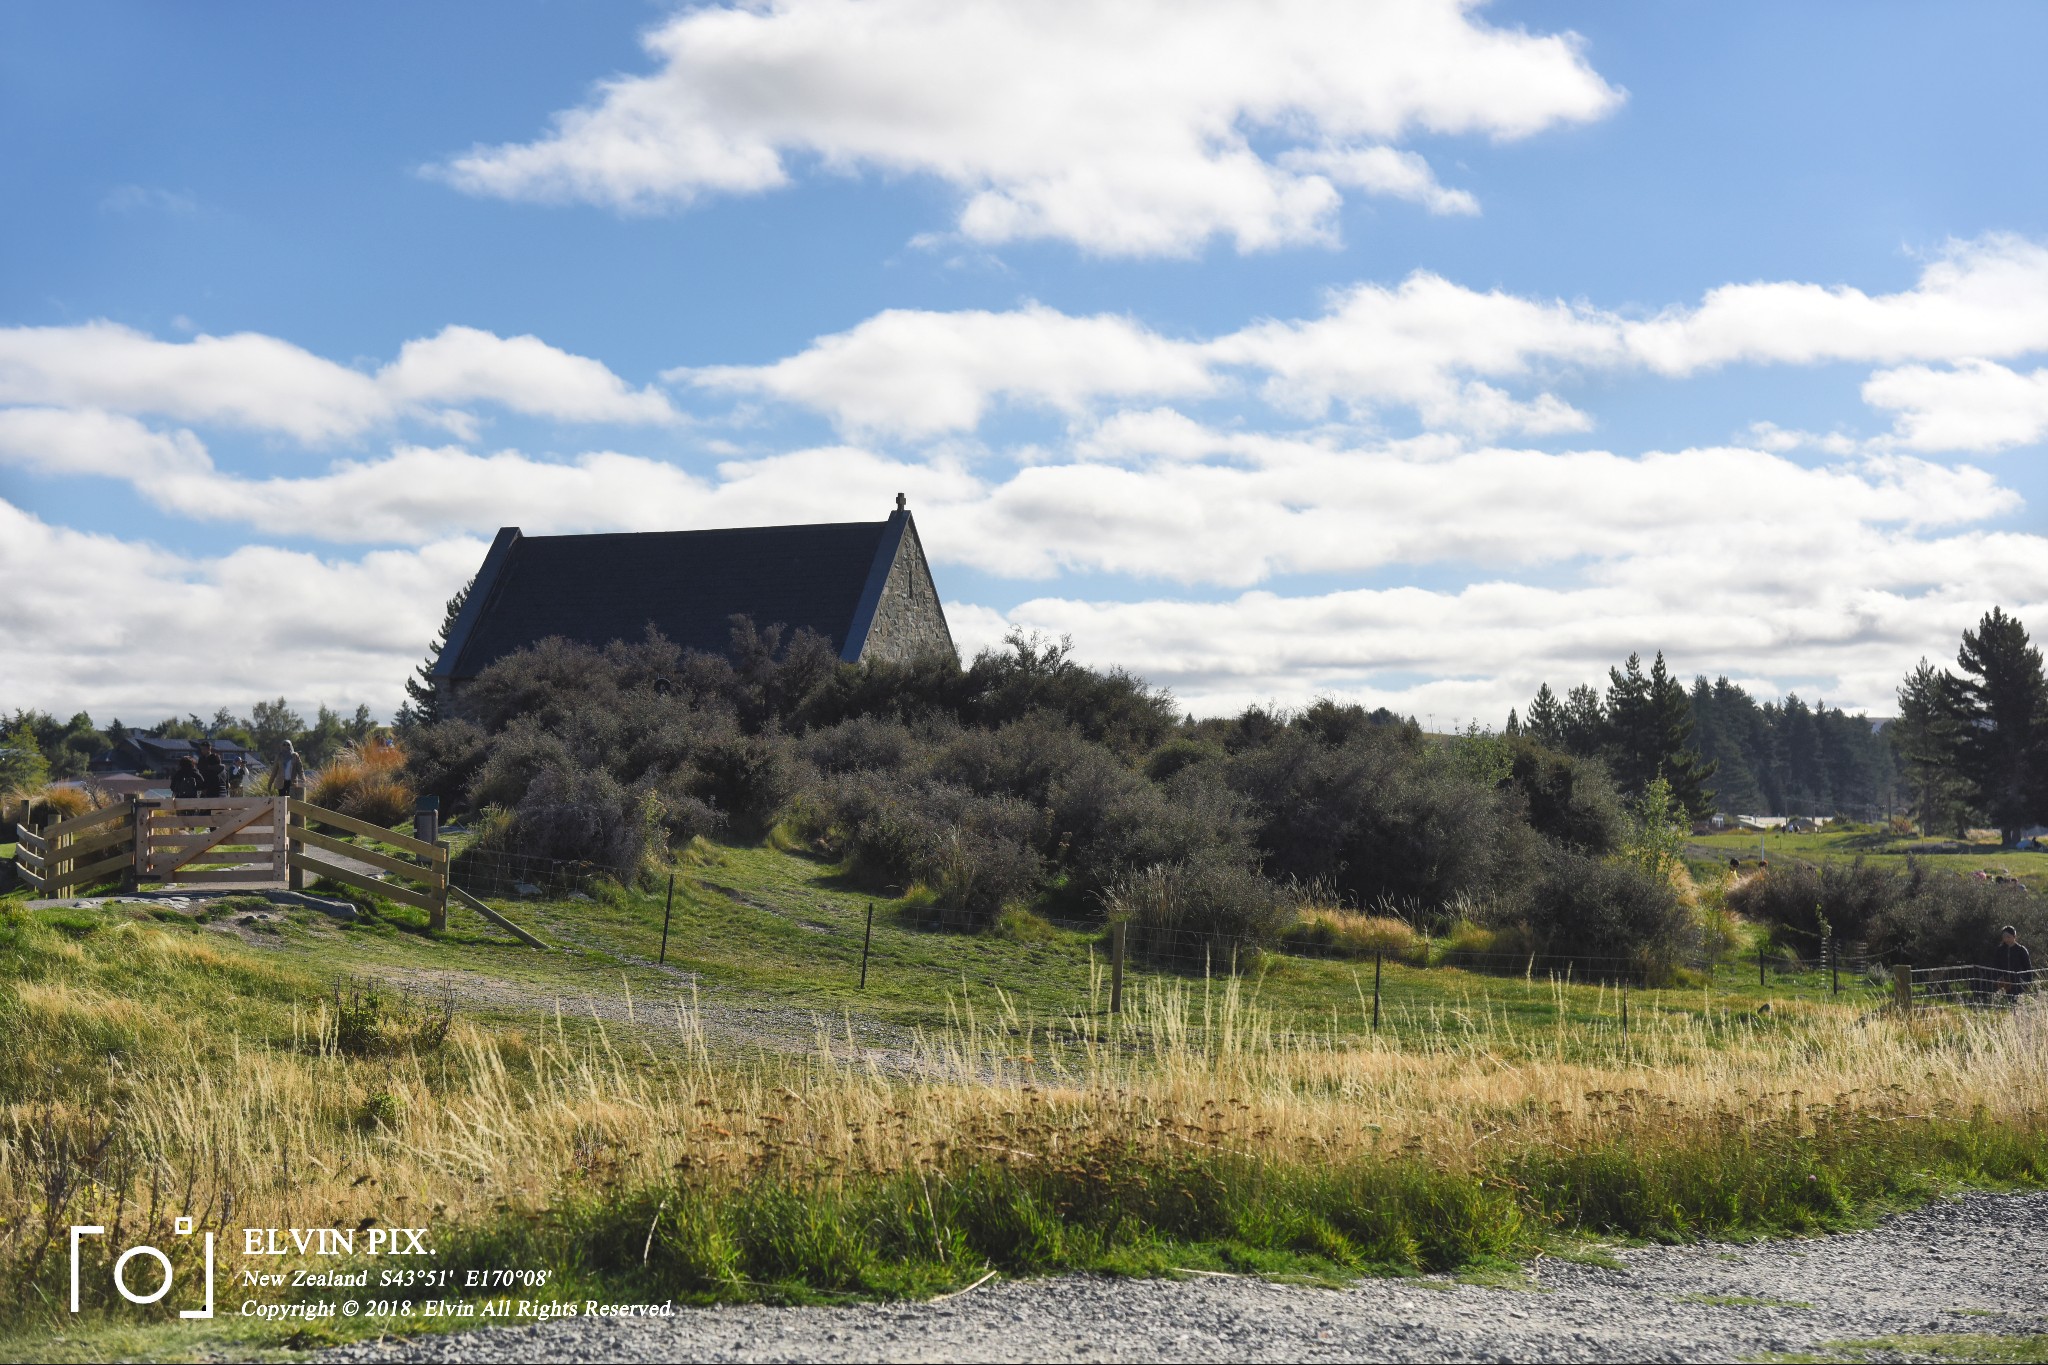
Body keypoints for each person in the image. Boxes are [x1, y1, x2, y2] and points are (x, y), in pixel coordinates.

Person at [1989, 925, 2032, 1004]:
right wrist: (1997, 978)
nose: (2006, 939)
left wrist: (2028, 983)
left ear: (2014, 936)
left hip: (2018, 981)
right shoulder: (2000, 950)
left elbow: (2028, 967)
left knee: (2017, 1002)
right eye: (2004, 937)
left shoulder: (2021, 950)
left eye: (2008, 937)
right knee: (2004, 1004)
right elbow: (1995, 965)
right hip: (2003, 981)